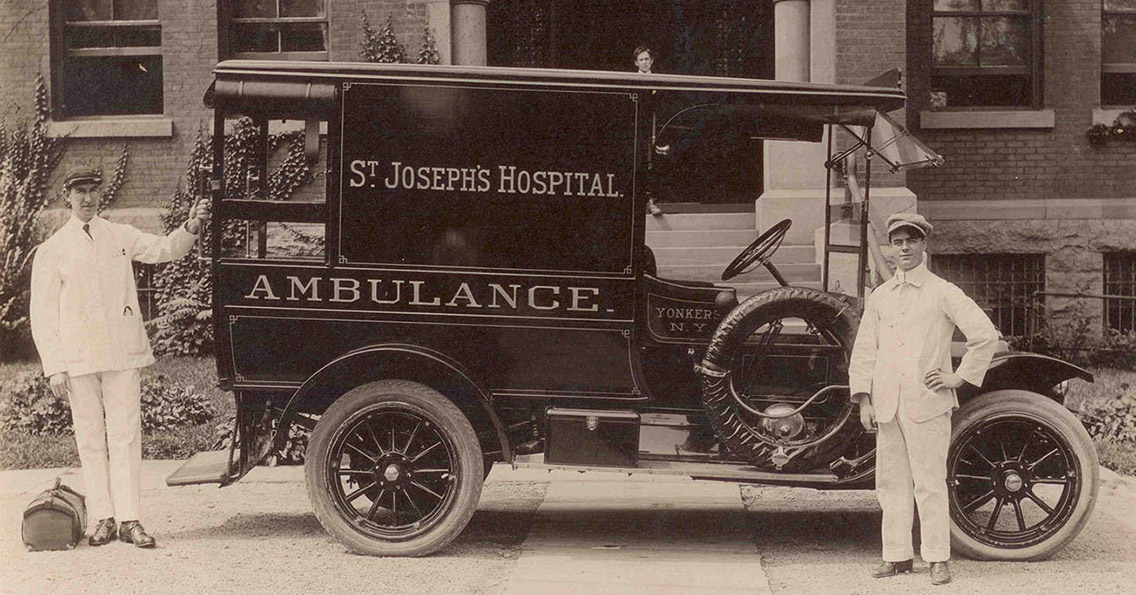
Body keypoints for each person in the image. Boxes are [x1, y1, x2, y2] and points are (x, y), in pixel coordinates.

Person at [30, 168, 210, 548]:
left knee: (126, 435)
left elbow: (164, 249)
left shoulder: (119, 235)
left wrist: (191, 227)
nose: (87, 199)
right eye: (80, 192)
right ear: (67, 196)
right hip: (78, 360)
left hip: (121, 353)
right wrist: (55, 366)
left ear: (100, 195)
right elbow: (43, 314)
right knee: (91, 439)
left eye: (93, 191)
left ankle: (130, 519)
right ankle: (102, 519)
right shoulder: (53, 249)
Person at [848, 212, 999, 586]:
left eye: (911, 241)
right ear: (890, 247)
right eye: (897, 242)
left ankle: (936, 558)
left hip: (927, 402)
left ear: (923, 246)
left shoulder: (942, 292)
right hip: (888, 403)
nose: (904, 248)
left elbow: (985, 335)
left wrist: (958, 377)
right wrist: (864, 398)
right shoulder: (880, 297)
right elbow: (866, 349)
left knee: (929, 482)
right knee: (890, 482)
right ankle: (896, 556)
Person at [633, 45, 664, 216]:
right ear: (636, 63)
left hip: (653, 127)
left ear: (651, 61)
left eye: (647, 59)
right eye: (641, 60)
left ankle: (652, 201)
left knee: (653, 164)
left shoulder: (659, 80)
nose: (644, 62)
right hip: (637, 128)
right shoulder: (632, 81)